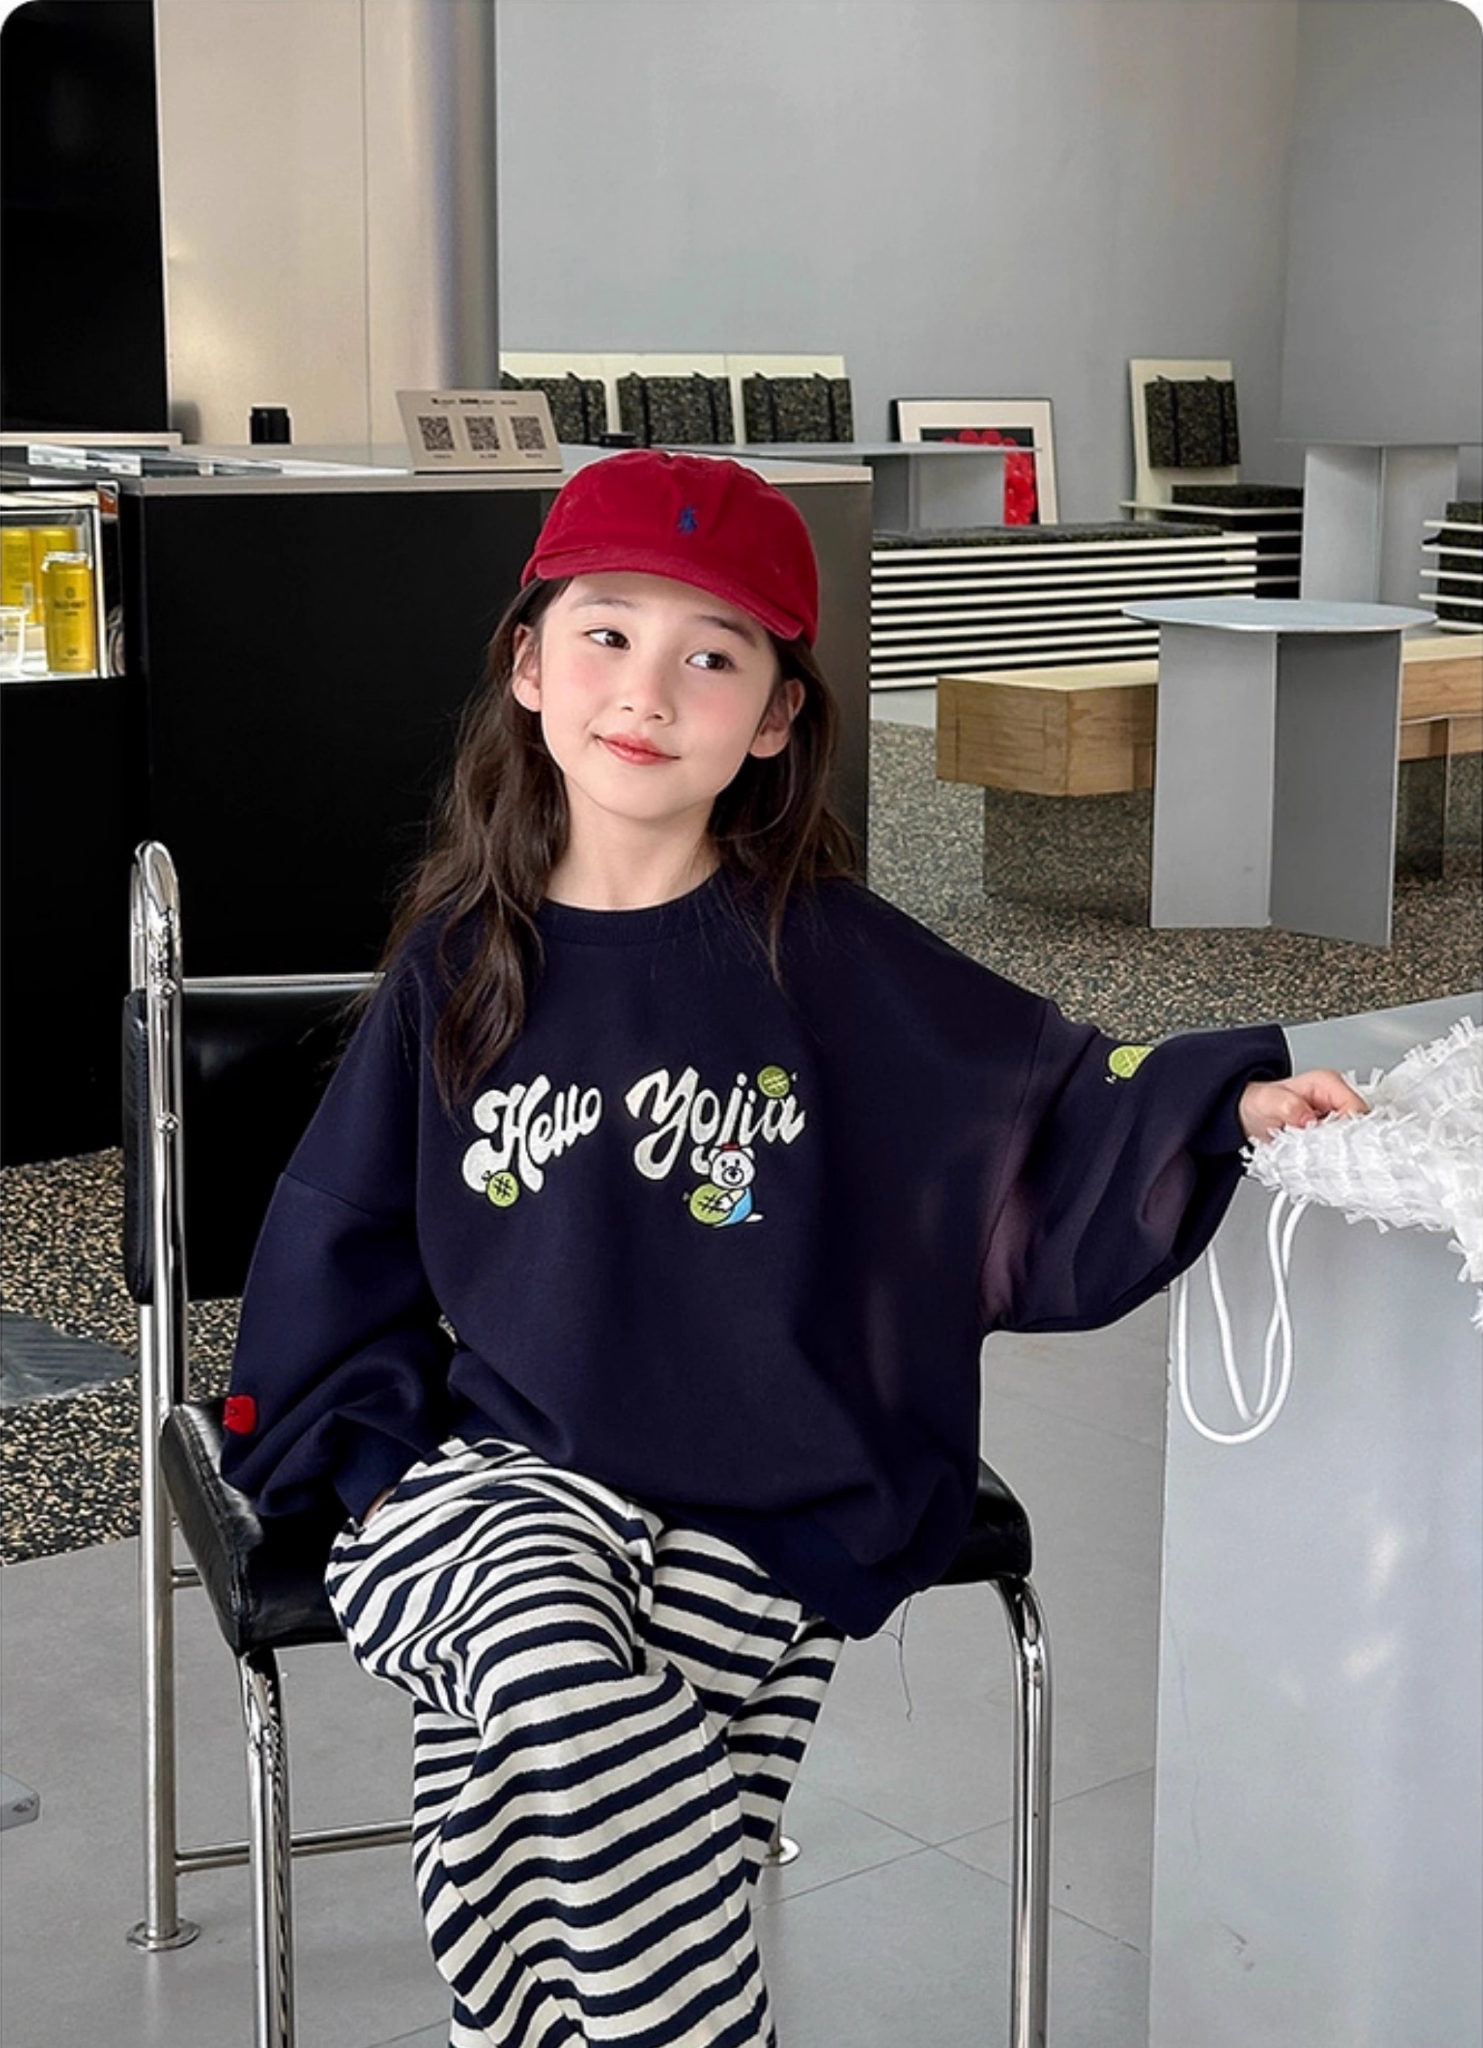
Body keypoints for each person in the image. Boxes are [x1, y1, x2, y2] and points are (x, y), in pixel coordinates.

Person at [221, 449, 1364, 2048]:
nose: (647, 690)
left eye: (712, 656)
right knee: (553, 1673)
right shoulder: (460, 962)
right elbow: (343, 1233)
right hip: (512, 1463)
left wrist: (1216, 1107)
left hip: (770, 1479)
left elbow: (1037, 1119)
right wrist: (356, 1446)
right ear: (529, 664)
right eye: (608, 634)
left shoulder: (828, 955)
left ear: (772, 718)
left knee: (564, 1788)